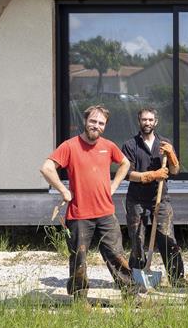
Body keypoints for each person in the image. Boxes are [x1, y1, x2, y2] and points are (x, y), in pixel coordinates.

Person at [39, 105, 137, 299]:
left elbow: (125, 163)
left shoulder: (108, 146)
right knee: (79, 259)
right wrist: (64, 190)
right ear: (85, 121)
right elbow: (47, 168)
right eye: (93, 121)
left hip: (106, 213)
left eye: (101, 123)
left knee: (117, 256)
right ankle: (79, 299)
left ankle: (131, 296)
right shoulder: (70, 146)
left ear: (105, 126)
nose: (96, 126)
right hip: (79, 215)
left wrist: (113, 186)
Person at [121, 107, 187, 287]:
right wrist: (151, 175)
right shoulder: (130, 145)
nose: (147, 123)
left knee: (167, 237)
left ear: (155, 122)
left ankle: (177, 279)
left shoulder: (164, 143)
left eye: (150, 120)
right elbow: (127, 174)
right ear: (139, 121)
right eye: (144, 119)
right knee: (137, 239)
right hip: (136, 199)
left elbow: (174, 171)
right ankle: (136, 279)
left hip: (161, 198)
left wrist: (172, 156)